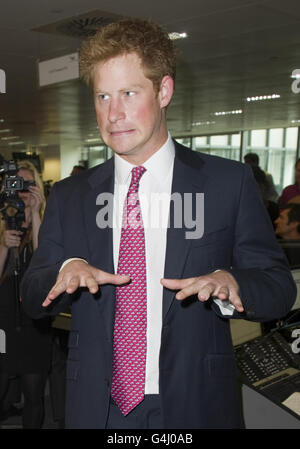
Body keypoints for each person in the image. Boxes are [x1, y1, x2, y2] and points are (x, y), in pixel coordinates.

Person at [21, 19, 296, 429]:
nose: (113, 114)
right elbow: (30, 293)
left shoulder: (226, 183)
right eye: (102, 96)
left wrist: (232, 282)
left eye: (129, 94)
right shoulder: (71, 195)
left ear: (164, 91)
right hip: (98, 406)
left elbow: (277, 287)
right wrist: (64, 271)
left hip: (195, 402)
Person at [0, 160, 52, 428]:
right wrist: (3, 245)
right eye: (16, 184)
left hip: (34, 323)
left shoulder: (46, 222)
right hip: (4, 321)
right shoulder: (2, 221)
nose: (22, 191)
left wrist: (35, 215)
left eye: (28, 184)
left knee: (34, 395)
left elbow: (44, 265)